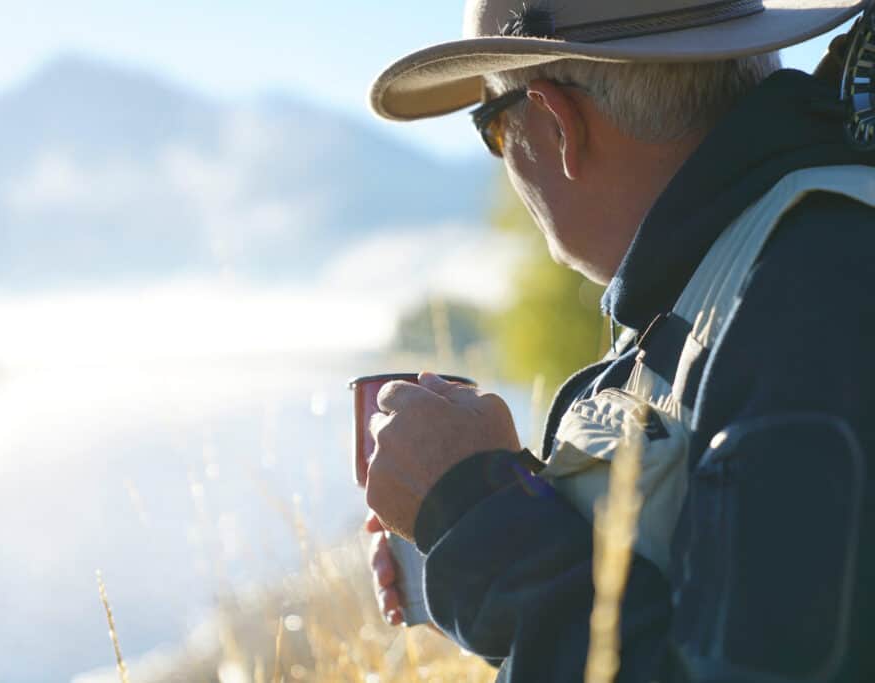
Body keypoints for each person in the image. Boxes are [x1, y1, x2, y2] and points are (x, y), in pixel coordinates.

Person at [362, 0, 875, 681]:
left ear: (555, 123)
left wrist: (477, 518)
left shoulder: (807, 296)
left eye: (491, 127)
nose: (502, 160)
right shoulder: (751, 271)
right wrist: (474, 538)